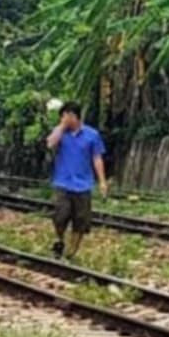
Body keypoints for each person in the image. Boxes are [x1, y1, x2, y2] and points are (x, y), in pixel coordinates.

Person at [46, 102, 107, 259]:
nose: (63, 119)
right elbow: (50, 143)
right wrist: (61, 126)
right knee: (60, 215)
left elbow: (97, 158)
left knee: (81, 221)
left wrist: (102, 181)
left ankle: (71, 253)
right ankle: (59, 240)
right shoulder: (60, 133)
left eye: (66, 116)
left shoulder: (92, 135)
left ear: (74, 116)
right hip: (63, 182)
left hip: (83, 184)